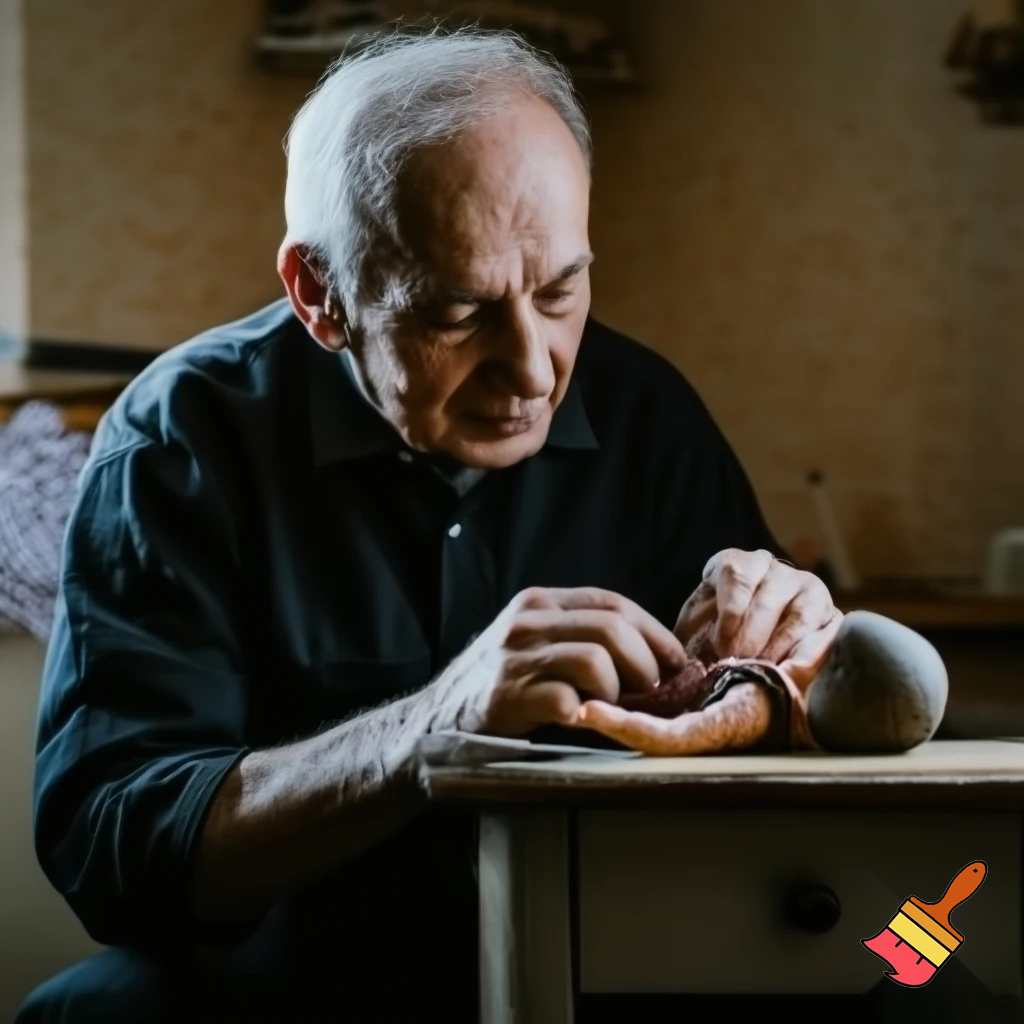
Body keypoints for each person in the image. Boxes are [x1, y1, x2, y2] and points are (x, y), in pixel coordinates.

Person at [18, 26, 840, 1023]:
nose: (534, 369)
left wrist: (794, 657)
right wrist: (435, 725)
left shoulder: (647, 413)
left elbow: (777, 766)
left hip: (605, 970)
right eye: (456, 314)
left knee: (926, 964)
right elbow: (111, 854)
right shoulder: (177, 442)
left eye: (560, 290)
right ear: (319, 294)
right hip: (287, 993)